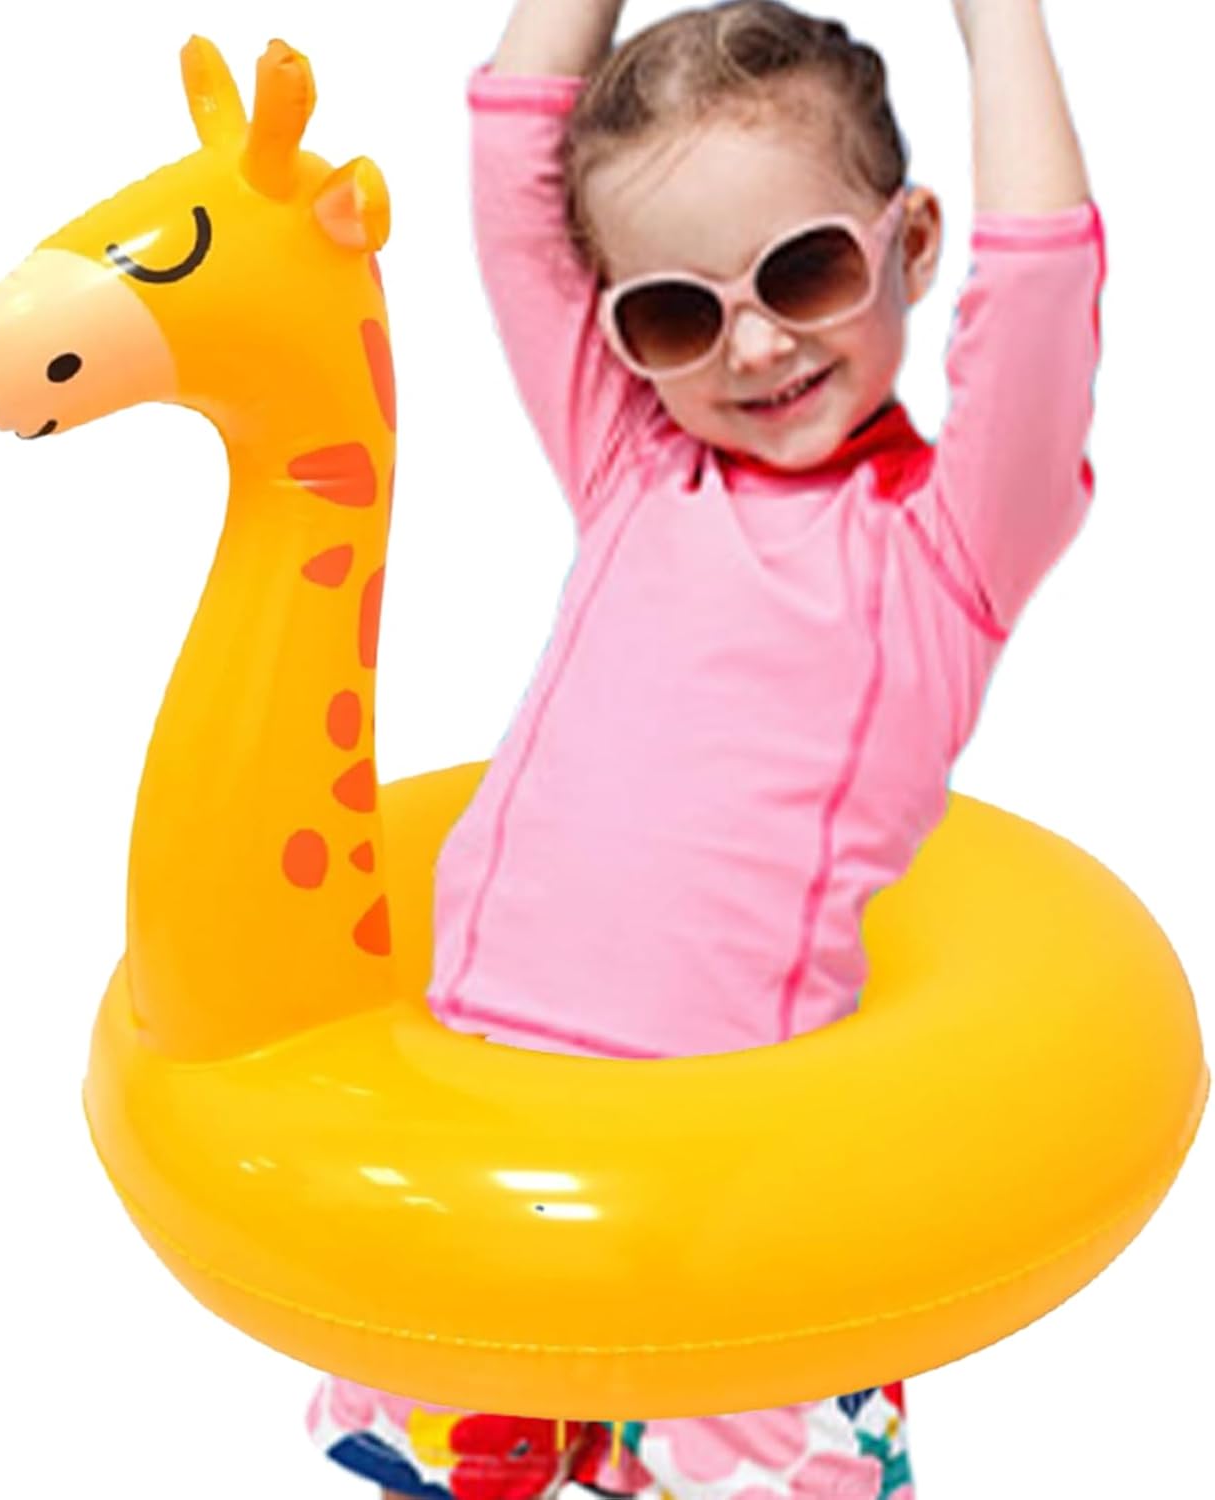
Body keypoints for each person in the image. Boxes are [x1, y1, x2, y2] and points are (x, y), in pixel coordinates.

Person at [307, 1, 1104, 1495]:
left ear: (913, 244)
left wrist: (997, 15)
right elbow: (513, 152)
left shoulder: (946, 547)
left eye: (806, 271)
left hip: (732, 1202)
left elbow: (1041, 290)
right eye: (675, 314)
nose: (751, 343)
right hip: (487, 1155)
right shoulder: (630, 461)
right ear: (620, 334)